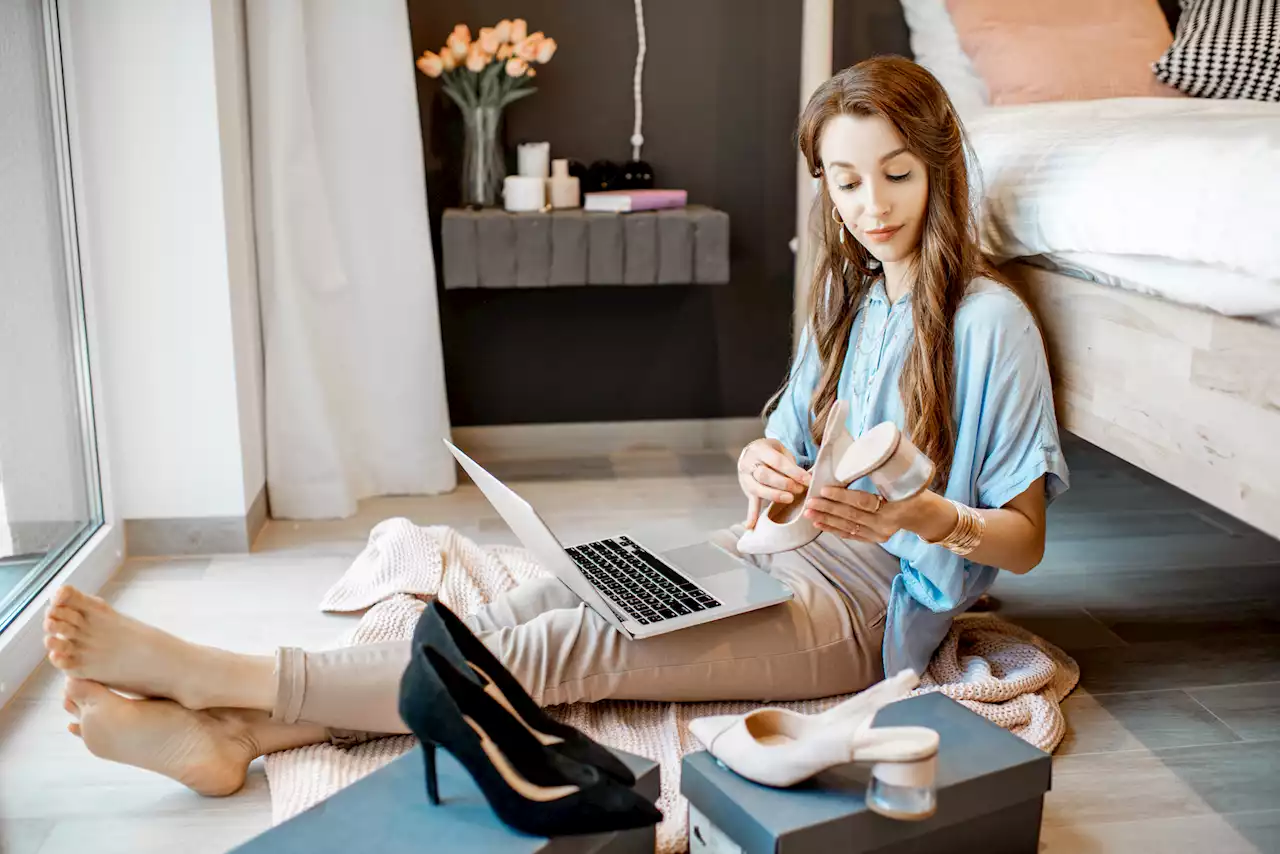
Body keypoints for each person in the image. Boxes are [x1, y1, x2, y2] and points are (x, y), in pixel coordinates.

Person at [41, 56, 1067, 795]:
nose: (870, 205)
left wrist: (929, 516)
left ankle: (227, 676)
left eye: (893, 172)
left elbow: (1019, 538)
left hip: (856, 618)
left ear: (935, 164)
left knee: (574, 645)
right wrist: (766, 467)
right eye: (844, 181)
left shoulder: (989, 324)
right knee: (544, 596)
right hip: (766, 556)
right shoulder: (844, 306)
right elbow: (790, 462)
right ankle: (243, 737)